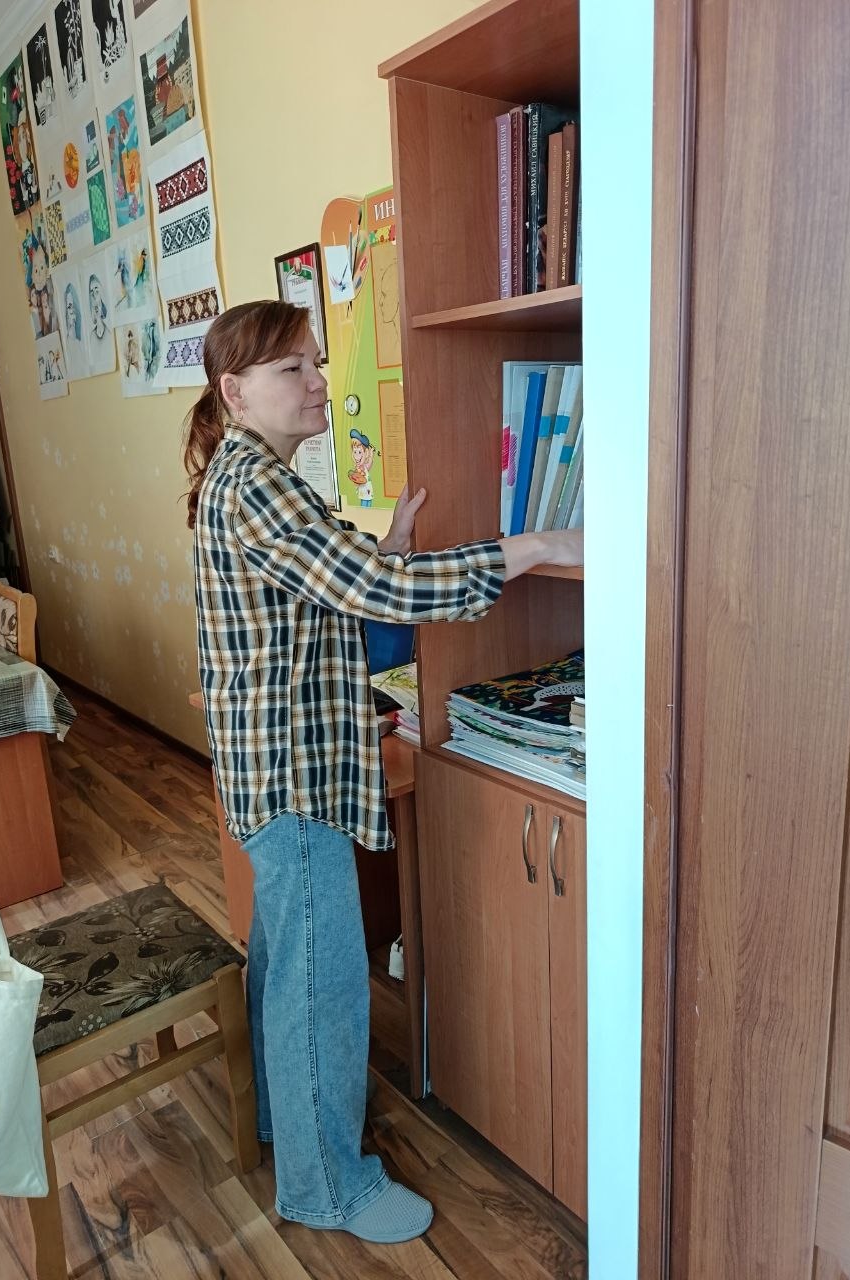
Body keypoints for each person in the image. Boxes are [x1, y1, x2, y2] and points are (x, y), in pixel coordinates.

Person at [183, 300, 582, 1246]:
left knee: (286, 962)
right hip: (295, 778)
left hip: (270, 770)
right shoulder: (257, 485)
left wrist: (388, 545)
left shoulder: (252, 478)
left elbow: (324, 590)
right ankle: (325, 1186)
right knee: (318, 984)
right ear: (235, 391)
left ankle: (282, 1120)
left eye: (316, 363)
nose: (318, 382)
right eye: (293, 369)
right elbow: (375, 593)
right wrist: (537, 546)